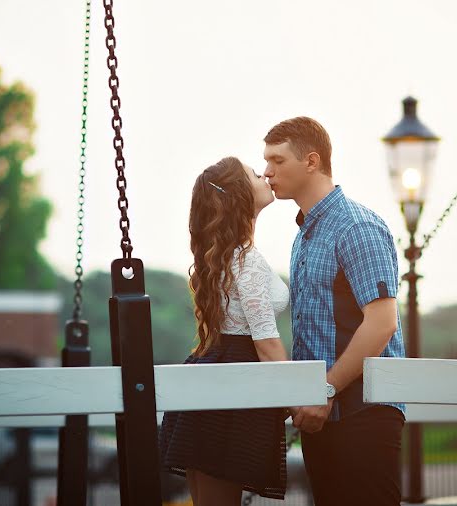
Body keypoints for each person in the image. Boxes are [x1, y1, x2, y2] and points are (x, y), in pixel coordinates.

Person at [263, 116, 406, 505]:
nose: (267, 171)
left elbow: (382, 323)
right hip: (320, 415)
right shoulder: (304, 236)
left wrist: (325, 390)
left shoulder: (356, 227)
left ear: (311, 161)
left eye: (277, 160)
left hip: (364, 412)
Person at [158, 156, 291, 505]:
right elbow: (266, 342)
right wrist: (299, 397)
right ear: (239, 195)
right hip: (230, 390)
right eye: (253, 173)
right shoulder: (245, 261)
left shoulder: (228, 258)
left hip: (214, 380)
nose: (263, 174)